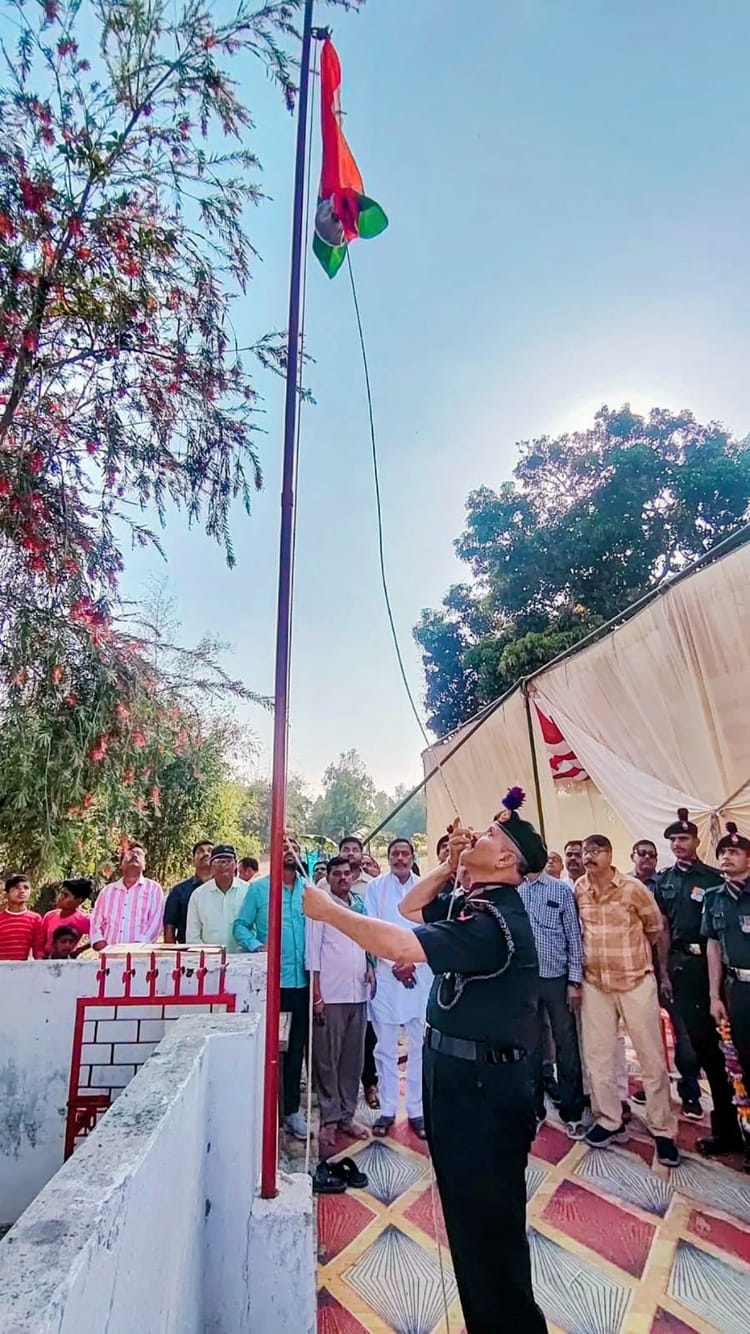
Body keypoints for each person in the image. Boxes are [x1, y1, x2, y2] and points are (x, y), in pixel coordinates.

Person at [303, 789, 549, 1333]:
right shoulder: (476, 903)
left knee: (489, 1230)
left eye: (490, 835)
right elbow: (412, 907)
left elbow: (401, 944)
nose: (477, 834)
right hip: (459, 1082)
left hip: (484, 1091)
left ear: (506, 860)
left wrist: (330, 912)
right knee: (467, 1222)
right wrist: (447, 865)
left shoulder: (495, 923)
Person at [575, 834, 680, 1166]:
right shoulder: (579, 888)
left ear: (610, 854)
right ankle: (609, 1119)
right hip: (596, 983)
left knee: (651, 1057)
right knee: (598, 1056)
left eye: (596, 851)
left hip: (635, 980)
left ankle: (663, 1129)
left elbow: (655, 927)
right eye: (586, 851)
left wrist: (649, 967)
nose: (589, 856)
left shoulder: (633, 888)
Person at [234, 836, 309, 1141]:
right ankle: (267, 1111)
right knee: (271, 1049)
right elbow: (240, 925)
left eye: (295, 848)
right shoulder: (259, 889)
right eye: (284, 847)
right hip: (273, 984)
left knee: (296, 1050)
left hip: (303, 982)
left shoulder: (309, 890)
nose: (290, 852)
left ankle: (291, 1110)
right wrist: (256, 945)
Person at [654, 810, 722, 1122]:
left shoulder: (713, 879)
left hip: (710, 963)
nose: (677, 844)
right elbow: (662, 928)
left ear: (696, 841)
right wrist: (663, 972)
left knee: (719, 1035)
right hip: (680, 963)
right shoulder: (664, 880)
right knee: (685, 1035)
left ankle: (727, 1097)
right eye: (673, 840)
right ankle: (690, 1093)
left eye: (683, 838)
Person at [307, 856, 375, 1157]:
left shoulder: (359, 906)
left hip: (358, 993)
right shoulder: (320, 907)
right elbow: (313, 954)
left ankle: (347, 1115)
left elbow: (367, 941)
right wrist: (317, 995)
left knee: (353, 1059)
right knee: (327, 1059)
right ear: (329, 877)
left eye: (348, 873)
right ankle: (330, 1118)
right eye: (337, 874)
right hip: (331, 994)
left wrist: (370, 965)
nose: (343, 878)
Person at [365, 838, 431, 1139]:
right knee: (385, 1047)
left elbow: (431, 930)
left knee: (419, 1046)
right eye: (395, 854)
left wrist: (411, 963)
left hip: (419, 975)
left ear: (413, 857)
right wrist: (395, 962)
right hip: (387, 975)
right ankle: (388, 1109)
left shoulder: (425, 887)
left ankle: (417, 1110)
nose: (400, 858)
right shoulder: (375, 888)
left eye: (405, 853)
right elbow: (371, 930)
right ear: (388, 858)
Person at [519, 863, 586, 1137]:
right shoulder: (515, 890)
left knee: (566, 1044)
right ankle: (534, 1110)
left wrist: (574, 981)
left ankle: (573, 1111)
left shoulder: (560, 890)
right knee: (530, 1047)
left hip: (557, 980)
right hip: (525, 982)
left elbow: (574, 937)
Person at [702, 821, 750, 1166]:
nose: (726, 857)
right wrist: (714, 996)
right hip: (737, 989)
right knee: (742, 1064)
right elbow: (713, 946)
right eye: (723, 852)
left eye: (734, 851)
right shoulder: (713, 898)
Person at [340, 834, 379, 1110]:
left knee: (367, 1032)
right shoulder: (324, 886)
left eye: (355, 849)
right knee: (337, 1035)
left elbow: (374, 927)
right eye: (346, 849)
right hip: (335, 969)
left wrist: (372, 963)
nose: (351, 853)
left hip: (364, 968)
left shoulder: (372, 885)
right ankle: (338, 1093)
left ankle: (370, 1084)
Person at [89, 843, 163, 950]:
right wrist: (101, 944)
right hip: (108, 954)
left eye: (139, 854)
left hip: (140, 954)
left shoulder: (154, 889)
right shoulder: (107, 891)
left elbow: (155, 923)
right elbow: (95, 921)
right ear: (121, 864)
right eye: (130, 853)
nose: (135, 856)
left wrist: (137, 948)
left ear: (144, 865)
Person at [185, 845, 246, 952]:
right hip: (209, 958)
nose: (223, 865)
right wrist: (211, 955)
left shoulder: (248, 891)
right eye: (218, 861)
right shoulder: (198, 895)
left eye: (228, 861)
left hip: (245, 957)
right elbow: (192, 938)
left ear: (236, 864)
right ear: (211, 866)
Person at [163, 841, 213, 945]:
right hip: (187, 950)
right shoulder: (179, 891)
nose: (206, 854)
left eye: (210, 851)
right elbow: (169, 927)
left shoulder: (224, 889)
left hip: (221, 950)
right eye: (200, 851)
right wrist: (173, 952)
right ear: (193, 861)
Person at [40, 878, 91, 959]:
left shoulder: (82, 920)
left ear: (78, 901)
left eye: (66, 895)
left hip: (67, 961)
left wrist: (78, 950)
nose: (60, 897)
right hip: (46, 960)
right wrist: (40, 957)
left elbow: (101, 936)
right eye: (61, 893)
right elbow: (40, 940)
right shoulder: (49, 916)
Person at [0, 874, 44, 960]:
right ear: (6, 894)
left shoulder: (35, 919)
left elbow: (39, 951)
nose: (22, 891)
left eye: (26, 888)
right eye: (17, 888)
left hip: (22, 967)